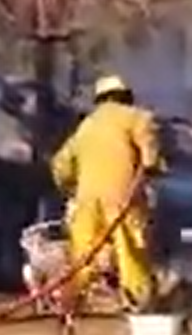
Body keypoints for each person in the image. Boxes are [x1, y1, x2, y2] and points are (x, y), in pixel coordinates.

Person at [50, 74, 166, 310]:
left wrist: (69, 186)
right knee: (130, 251)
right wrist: (152, 170)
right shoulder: (139, 118)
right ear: (126, 96)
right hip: (124, 197)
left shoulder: (87, 125)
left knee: (84, 253)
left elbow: (60, 165)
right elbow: (150, 159)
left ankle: (71, 304)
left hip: (87, 198)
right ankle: (140, 301)